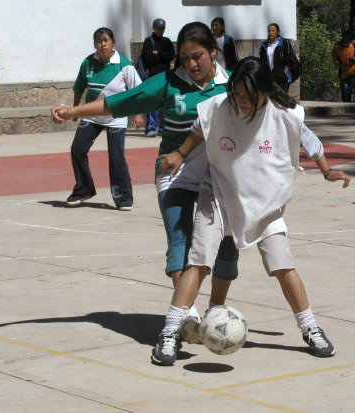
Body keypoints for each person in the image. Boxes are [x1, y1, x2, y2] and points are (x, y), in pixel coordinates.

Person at [151, 56, 350, 366]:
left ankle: (310, 328)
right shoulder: (221, 106)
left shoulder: (283, 113)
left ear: (265, 92)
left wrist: (326, 171)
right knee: (199, 263)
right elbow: (197, 130)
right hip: (217, 193)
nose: (241, 102)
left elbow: (309, 138)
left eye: (248, 97)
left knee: (283, 265)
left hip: (264, 202)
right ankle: (169, 332)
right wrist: (179, 154)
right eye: (237, 95)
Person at [52, 22, 240, 313]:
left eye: (198, 56)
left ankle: (216, 309)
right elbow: (118, 103)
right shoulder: (167, 82)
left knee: (227, 246)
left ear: (213, 52)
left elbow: (266, 109)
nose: (191, 63)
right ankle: (186, 315)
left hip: (218, 177)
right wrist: (73, 111)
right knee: (180, 240)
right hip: (175, 171)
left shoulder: (231, 85)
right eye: (185, 56)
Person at [66, 27, 144, 210]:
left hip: (116, 116)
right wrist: (76, 110)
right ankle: (84, 189)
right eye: (99, 41)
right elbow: (79, 87)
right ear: (95, 44)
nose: (103, 45)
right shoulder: (88, 63)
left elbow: (138, 92)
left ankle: (123, 197)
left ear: (113, 43)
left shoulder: (124, 66)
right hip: (92, 116)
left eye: (106, 41)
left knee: (116, 157)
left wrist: (139, 114)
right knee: (77, 149)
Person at [141, 18, 175, 137]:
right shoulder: (148, 41)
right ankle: (151, 128)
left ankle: (163, 128)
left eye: (162, 28)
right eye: (158, 28)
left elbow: (171, 55)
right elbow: (148, 58)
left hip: (166, 75)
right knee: (153, 103)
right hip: (153, 76)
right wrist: (161, 56)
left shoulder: (167, 41)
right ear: (153, 28)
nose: (160, 30)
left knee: (164, 103)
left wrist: (158, 53)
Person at [259, 23, 301, 93]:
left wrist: (285, 72)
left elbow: (290, 58)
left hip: (281, 77)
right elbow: (262, 60)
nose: (271, 33)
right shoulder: (264, 45)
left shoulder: (284, 43)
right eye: (269, 31)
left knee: (282, 99)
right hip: (269, 77)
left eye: (273, 31)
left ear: (278, 32)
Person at [333, 27, 355, 102]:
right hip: (344, 71)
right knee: (345, 87)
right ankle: (347, 100)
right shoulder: (337, 46)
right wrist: (340, 66)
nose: (346, 36)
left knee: (348, 86)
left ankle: (348, 100)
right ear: (342, 35)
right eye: (344, 34)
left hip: (353, 69)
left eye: (347, 34)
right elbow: (335, 59)